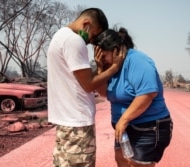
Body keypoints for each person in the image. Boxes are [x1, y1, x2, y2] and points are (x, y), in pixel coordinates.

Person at [47, 8, 126, 167]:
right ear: (86, 24)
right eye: (94, 35)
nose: (92, 41)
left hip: (66, 121)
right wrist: (114, 67)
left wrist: (99, 67)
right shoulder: (74, 41)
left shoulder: (59, 36)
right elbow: (89, 85)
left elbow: (81, 80)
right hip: (78, 122)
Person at [93, 27, 173, 167]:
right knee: (122, 161)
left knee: (137, 165)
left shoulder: (137, 60)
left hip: (148, 126)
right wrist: (100, 68)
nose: (101, 59)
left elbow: (147, 94)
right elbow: (104, 93)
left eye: (103, 55)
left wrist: (124, 119)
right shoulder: (111, 67)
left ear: (117, 50)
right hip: (124, 127)